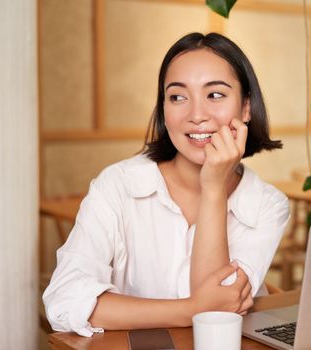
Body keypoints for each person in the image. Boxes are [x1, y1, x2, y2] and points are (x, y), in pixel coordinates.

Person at [43, 32, 290, 337]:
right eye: (177, 97)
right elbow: (63, 301)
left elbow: (216, 317)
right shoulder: (117, 185)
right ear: (163, 109)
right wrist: (190, 309)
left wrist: (212, 187)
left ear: (246, 107)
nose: (197, 115)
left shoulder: (267, 203)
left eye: (215, 95)